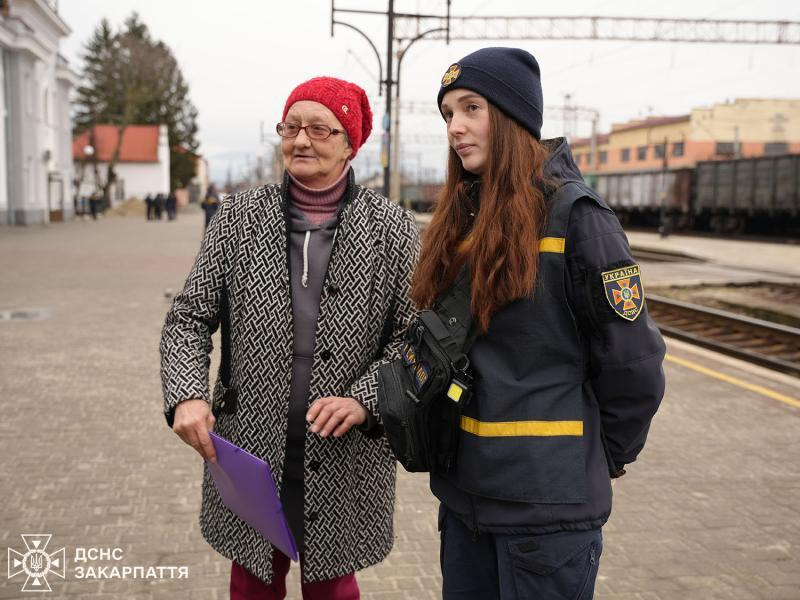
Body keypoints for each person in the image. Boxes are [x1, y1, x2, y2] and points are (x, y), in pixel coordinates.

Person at [412, 47, 666, 599]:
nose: (455, 127)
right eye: (448, 113)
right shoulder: (464, 218)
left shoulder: (577, 217)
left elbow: (634, 364)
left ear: (513, 117)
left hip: (546, 517)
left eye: (471, 108)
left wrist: (601, 455)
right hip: (465, 503)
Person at [160, 76, 420, 599]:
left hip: (344, 446)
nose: (301, 140)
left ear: (350, 144)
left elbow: (413, 337)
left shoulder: (393, 227)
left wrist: (365, 399)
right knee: (252, 582)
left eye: (320, 129)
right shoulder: (236, 218)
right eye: (291, 127)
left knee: (333, 587)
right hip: (250, 443)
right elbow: (187, 317)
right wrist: (186, 393)